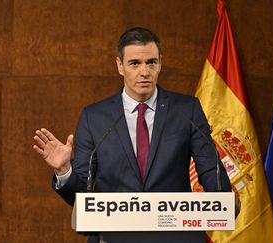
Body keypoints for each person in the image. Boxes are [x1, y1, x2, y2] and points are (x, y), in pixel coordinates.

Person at [33, 27, 232, 243]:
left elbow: (211, 172)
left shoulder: (187, 110)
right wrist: (64, 171)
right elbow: (81, 196)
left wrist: (224, 200)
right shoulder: (94, 117)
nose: (144, 72)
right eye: (135, 63)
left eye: (151, 62)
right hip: (113, 238)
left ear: (160, 64)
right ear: (120, 66)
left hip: (175, 236)